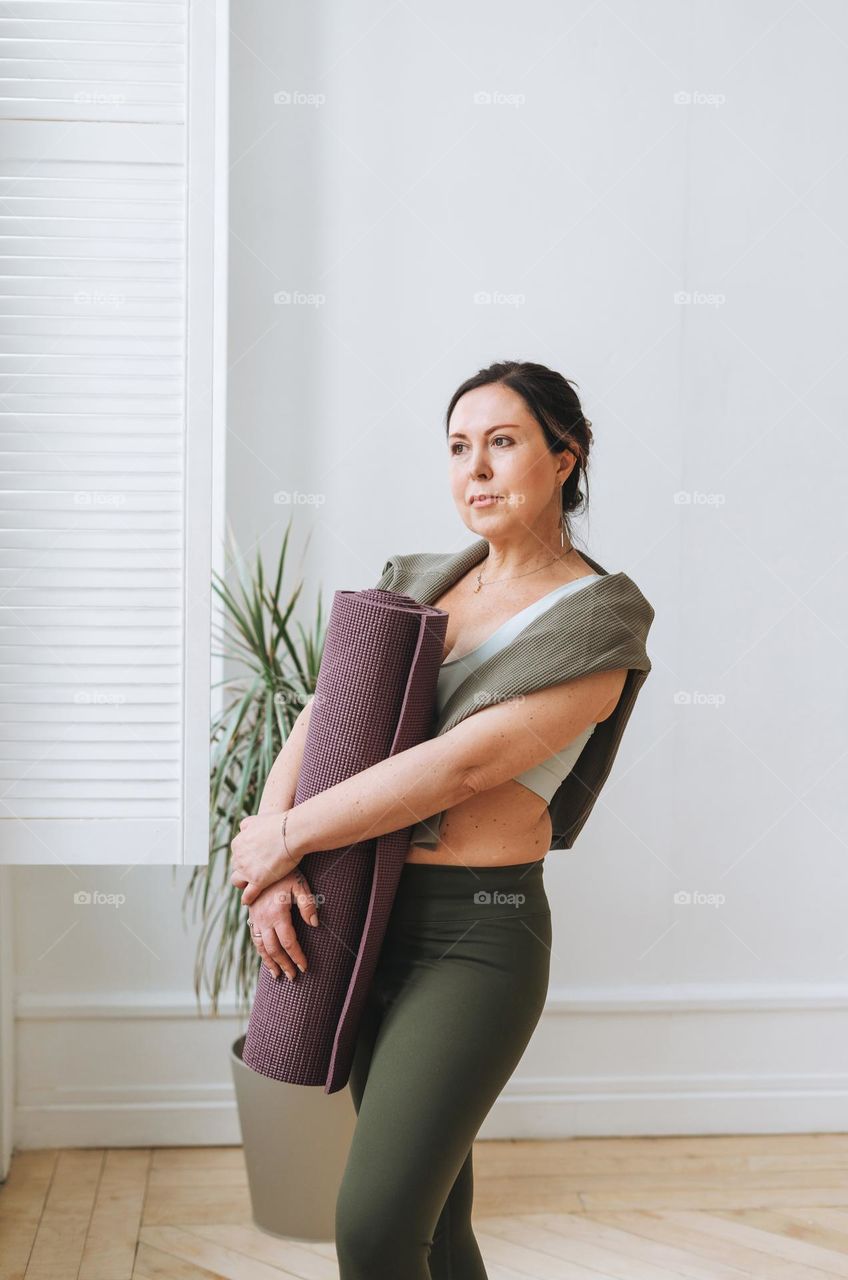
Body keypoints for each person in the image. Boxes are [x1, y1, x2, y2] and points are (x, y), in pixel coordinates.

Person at [230, 360, 653, 1278]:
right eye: (460, 448)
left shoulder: (600, 623)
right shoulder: (423, 579)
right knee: (437, 1228)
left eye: (503, 443)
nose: (477, 470)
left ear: (565, 458)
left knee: (377, 1227)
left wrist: (294, 835)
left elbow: (460, 767)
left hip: (476, 939)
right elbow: (324, 713)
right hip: (358, 914)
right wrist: (269, 852)